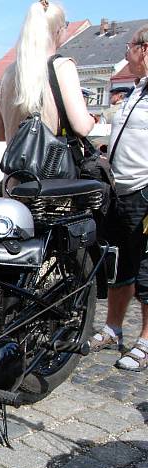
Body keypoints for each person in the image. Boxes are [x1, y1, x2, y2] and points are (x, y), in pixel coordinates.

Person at [89, 24, 148, 372]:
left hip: (145, 190)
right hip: (121, 189)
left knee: (146, 270)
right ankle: (113, 328)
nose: (125, 53)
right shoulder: (137, 90)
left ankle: (145, 341)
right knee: (119, 266)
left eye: (129, 46)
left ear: (144, 48)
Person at [0, 2, 93, 145]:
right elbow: (82, 127)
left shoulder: (8, 73)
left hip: (15, 165)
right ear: (58, 30)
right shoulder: (63, 67)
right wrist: (91, 120)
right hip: (53, 164)